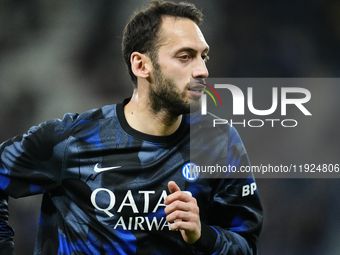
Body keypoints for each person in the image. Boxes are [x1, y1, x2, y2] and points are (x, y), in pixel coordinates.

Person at [0, 1, 262, 254]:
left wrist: (202, 235)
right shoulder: (71, 140)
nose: (202, 70)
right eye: (185, 57)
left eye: (203, 56)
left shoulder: (219, 141)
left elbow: (245, 245)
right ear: (141, 65)